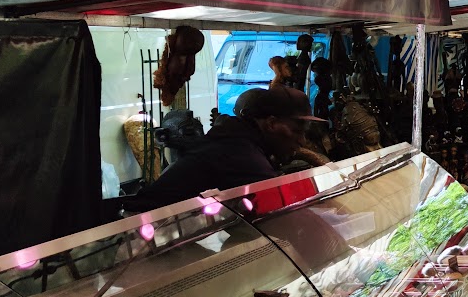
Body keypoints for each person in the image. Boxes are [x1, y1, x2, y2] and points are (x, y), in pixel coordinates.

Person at [131, 86, 327, 210]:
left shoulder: (239, 140)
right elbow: (281, 218)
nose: (302, 140)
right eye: (296, 130)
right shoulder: (242, 154)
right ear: (271, 123)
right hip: (135, 235)